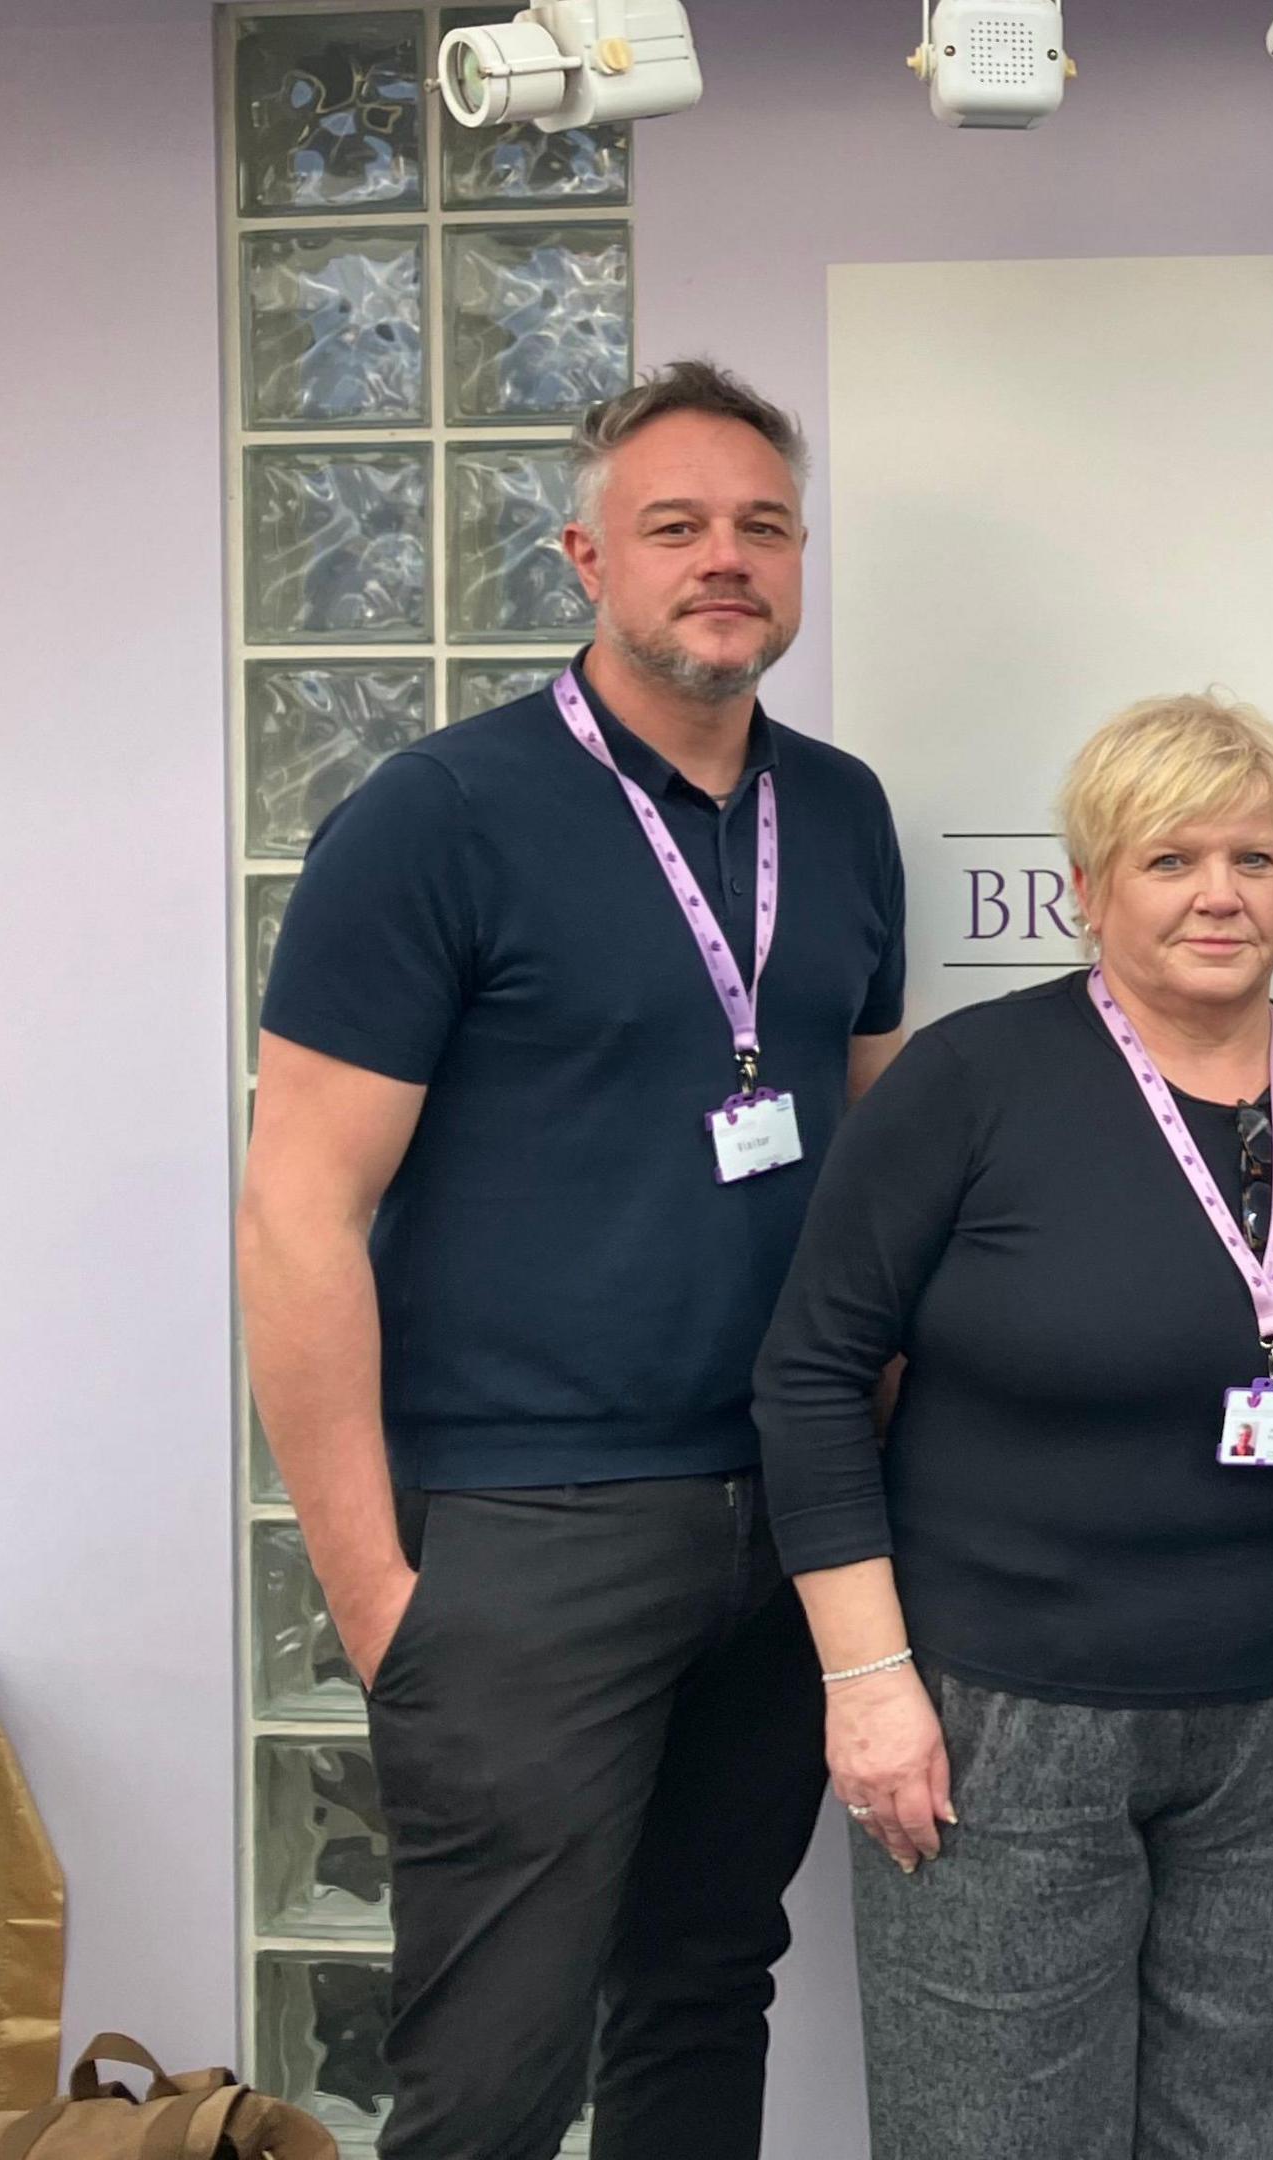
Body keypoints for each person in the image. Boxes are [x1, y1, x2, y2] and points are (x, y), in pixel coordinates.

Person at [237, 359, 906, 2160]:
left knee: (704, 1994)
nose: (725, 560)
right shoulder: (437, 817)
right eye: (675, 526)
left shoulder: (840, 817)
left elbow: (880, 1176)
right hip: (531, 1536)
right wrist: (381, 1598)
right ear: (585, 557)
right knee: (496, 2066)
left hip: (782, 1521)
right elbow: (297, 1213)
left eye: (762, 527)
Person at [753, 693, 1273, 2160]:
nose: (1219, 895)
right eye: (1170, 859)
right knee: (994, 2139)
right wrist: (866, 1679)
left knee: (1268, 2138)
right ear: (1087, 890)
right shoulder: (970, 1082)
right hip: (1004, 1720)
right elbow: (811, 1374)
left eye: (1254, 859)